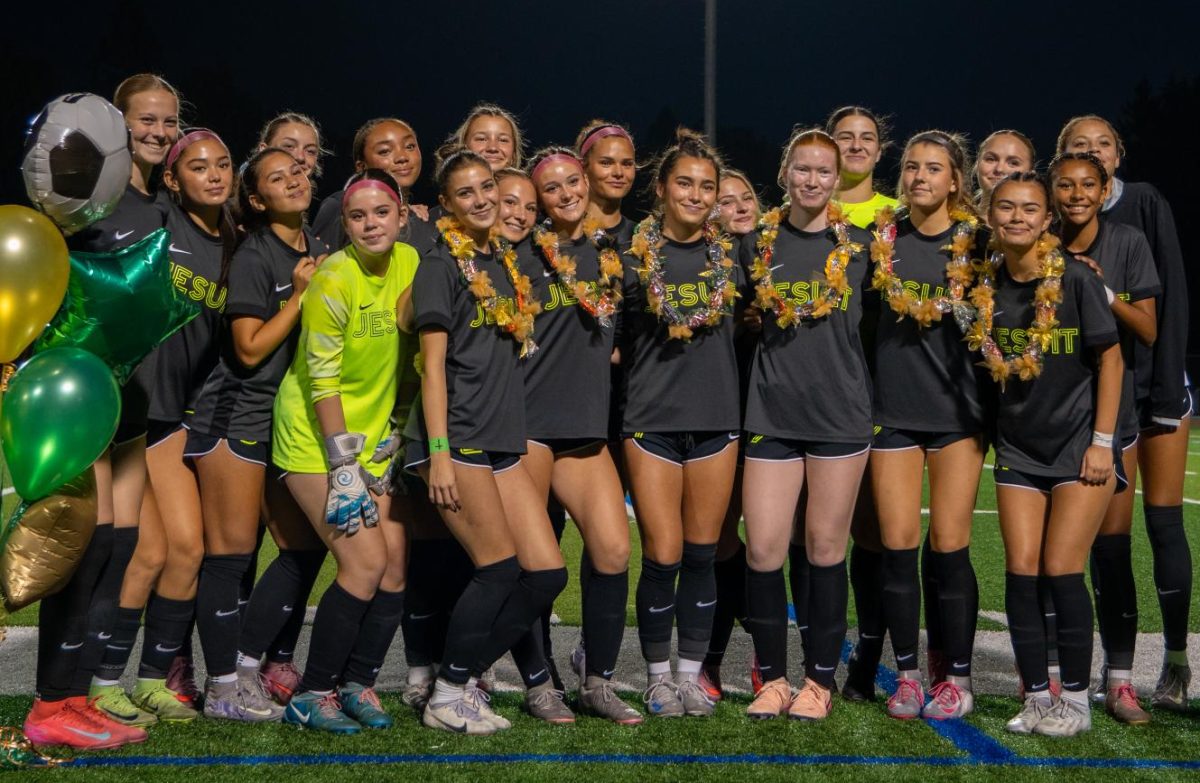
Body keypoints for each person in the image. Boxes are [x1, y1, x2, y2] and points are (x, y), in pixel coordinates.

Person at [25, 73, 180, 749]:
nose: (160, 131)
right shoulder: (82, 198)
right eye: (147, 119)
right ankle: (50, 702)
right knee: (85, 549)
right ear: (117, 127)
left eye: (171, 121)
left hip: (133, 399)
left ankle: (78, 695)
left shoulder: (163, 204)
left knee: (116, 548)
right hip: (84, 396)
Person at [403, 149, 565, 735]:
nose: (481, 200)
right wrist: (439, 454)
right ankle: (448, 695)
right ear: (445, 204)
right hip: (457, 438)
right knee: (497, 569)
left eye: (487, 188)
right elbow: (433, 368)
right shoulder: (440, 264)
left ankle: (456, 679)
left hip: (499, 440)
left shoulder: (502, 262)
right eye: (465, 193)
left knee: (545, 574)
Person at [86, 129, 238, 726]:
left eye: (224, 164)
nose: (215, 175)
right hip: (129, 409)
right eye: (198, 167)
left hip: (175, 414)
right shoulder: (155, 221)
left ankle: (152, 680)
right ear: (174, 181)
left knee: (189, 549)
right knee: (146, 553)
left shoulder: (231, 241)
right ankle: (101, 683)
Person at [973, 172, 1123, 737]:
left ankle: (1077, 702)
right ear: (991, 217)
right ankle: (1037, 696)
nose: (1017, 217)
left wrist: (1103, 444)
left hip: (1080, 449)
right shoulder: (983, 286)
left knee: (1062, 570)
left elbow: (1111, 360)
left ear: (1046, 220)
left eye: (1029, 209)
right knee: (1020, 570)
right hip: (1018, 448)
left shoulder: (1076, 281)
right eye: (1006, 208)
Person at [185, 147, 327, 721]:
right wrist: (297, 297)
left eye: (297, 172)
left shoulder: (317, 247)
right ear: (256, 198)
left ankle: (245, 664)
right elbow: (247, 350)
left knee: (303, 545)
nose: (293, 179)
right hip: (235, 414)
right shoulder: (254, 255)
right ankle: (220, 687)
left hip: (284, 421)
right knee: (230, 553)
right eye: (276, 177)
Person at [272, 171, 418, 733]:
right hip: (315, 441)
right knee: (363, 562)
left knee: (394, 565)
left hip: (371, 442)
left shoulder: (411, 265)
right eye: (358, 216)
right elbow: (323, 381)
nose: (370, 223)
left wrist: (401, 426)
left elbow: (411, 360)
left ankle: (357, 684)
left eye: (382, 212)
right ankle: (311, 695)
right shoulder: (335, 278)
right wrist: (342, 467)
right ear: (345, 224)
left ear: (401, 216)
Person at [1058, 115, 1193, 711]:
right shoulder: (1044, 223)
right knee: (1099, 546)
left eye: (1102, 145)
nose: (1091, 157)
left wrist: (1164, 390)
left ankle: (1174, 662)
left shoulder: (1141, 207)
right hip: (1086, 398)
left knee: (1160, 523)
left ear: (1119, 155)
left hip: (1148, 389)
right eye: (1077, 150)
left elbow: (1167, 304)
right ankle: (1080, 674)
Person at [739, 129, 873, 720]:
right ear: (785, 173)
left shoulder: (868, 248)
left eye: (824, 171)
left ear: (838, 177)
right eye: (803, 169)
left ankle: (819, 680)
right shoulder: (755, 246)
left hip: (840, 416)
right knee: (765, 550)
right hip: (771, 412)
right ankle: (771, 677)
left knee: (823, 548)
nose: (813, 180)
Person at [620, 129, 743, 718]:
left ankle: (691, 675)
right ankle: (655, 676)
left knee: (701, 552)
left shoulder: (736, 255)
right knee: (661, 552)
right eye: (684, 183)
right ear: (662, 188)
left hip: (718, 418)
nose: (696, 194)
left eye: (706, 186)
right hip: (651, 418)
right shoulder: (630, 254)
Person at [522, 147, 642, 723]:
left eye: (573, 181)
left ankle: (597, 682)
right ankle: (539, 682)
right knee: (537, 565)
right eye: (552, 187)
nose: (567, 193)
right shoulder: (519, 250)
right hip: (526, 425)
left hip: (585, 426)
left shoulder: (611, 250)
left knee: (614, 550)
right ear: (536, 197)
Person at [870, 131, 986, 720]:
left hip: (956, 416)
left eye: (933, 168)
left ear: (955, 181)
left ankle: (957, 679)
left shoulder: (979, 244)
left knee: (948, 546)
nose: (919, 177)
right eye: (912, 166)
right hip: (892, 413)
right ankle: (910, 677)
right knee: (897, 546)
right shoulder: (880, 240)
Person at [1051, 152, 1159, 724]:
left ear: (1104, 188)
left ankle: (1119, 681)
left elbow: (1148, 328)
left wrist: (1103, 291)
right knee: (1049, 560)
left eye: (1087, 185)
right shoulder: (1037, 238)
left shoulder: (1128, 241)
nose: (1075, 194)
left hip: (1112, 417)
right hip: (1047, 417)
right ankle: (1045, 679)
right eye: (1065, 185)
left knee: (1112, 552)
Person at [701, 165, 759, 701]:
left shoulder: (779, 255)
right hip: (721, 413)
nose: (738, 207)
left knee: (770, 541)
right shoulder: (704, 261)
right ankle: (712, 662)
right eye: (725, 200)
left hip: (771, 416)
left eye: (746, 198)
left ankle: (768, 658)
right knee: (719, 539)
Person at [311, 118, 434, 253]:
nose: (402, 157)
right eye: (385, 151)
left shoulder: (425, 220)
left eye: (409, 146)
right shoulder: (341, 205)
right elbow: (318, 268)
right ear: (361, 166)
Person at [826, 106, 899, 229]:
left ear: (879, 152)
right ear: (828, 148)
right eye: (846, 137)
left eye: (867, 138)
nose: (856, 146)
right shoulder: (809, 210)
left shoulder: (900, 213)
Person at [974, 130, 1036, 209]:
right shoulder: (956, 219)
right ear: (977, 164)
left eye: (1013, 163)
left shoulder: (1039, 220)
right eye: (991, 159)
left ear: (1031, 173)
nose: (999, 169)